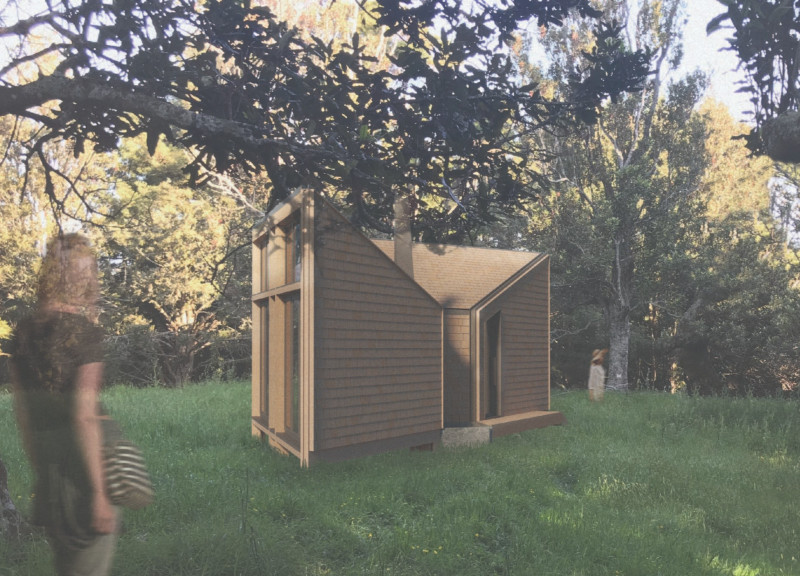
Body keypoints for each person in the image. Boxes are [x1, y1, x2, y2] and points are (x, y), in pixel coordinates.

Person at [9, 233, 119, 576]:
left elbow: (24, 415)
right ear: (83, 278)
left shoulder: (22, 334)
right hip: (82, 471)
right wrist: (99, 494)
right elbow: (83, 417)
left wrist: (42, 471)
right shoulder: (84, 333)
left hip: (48, 468)